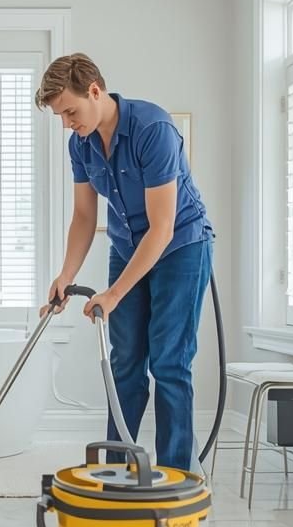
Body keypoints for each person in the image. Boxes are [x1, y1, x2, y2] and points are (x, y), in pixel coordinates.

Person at [37, 53, 214, 472]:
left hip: (180, 247)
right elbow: (84, 215)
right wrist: (67, 275)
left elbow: (162, 227)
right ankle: (116, 471)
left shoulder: (153, 129)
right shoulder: (80, 143)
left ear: (95, 91)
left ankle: (178, 475)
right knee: (125, 360)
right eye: (60, 115)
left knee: (169, 361)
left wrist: (114, 293)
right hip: (127, 246)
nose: (67, 123)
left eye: (70, 111)